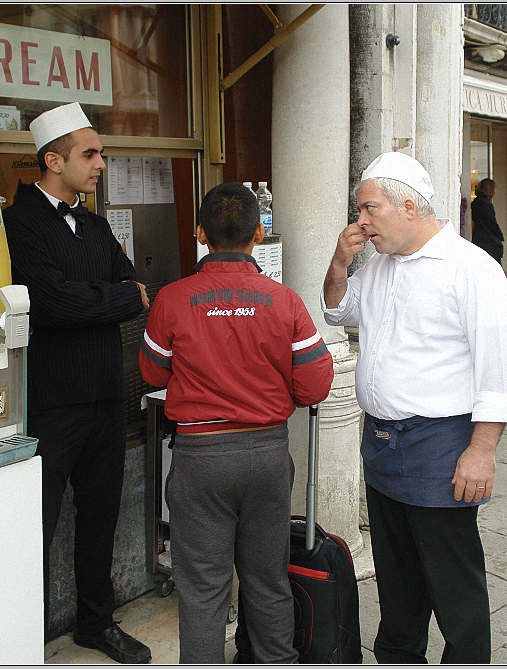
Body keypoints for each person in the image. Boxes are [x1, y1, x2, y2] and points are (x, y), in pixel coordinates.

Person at [321, 152, 507, 664]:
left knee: (453, 584)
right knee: (396, 580)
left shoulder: (472, 268)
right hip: (383, 444)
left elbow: (498, 372)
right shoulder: (381, 264)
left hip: (440, 446)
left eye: (369, 207)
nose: (360, 220)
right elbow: (337, 308)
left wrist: (482, 450)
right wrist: (340, 262)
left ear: (409, 205)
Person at [139, 183, 334, 664]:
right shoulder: (284, 301)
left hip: (200, 461)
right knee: (268, 582)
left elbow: (151, 372)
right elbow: (314, 386)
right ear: (259, 233)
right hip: (266, 457)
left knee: (203, 591)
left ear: (201, 233)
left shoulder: (173, 299)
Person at [2, 102, 152, 663]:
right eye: (90, 154)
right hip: (51, 399)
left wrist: (98, 299)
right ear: (52, 159)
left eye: (101, 154)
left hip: (108, 392)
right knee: (35, 522)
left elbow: (133, 285)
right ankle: (24, 635)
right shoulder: (18, 224)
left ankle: (95, 621)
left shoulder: (92, 222)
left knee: (99, 515)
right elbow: (51, 303)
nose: (100, 165)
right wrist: (107, 299)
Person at [470, 178, 504, 264]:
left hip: (478, 237)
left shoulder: (475, 202)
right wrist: (499, 235)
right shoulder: (486, 204)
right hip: (489, 240)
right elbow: (491, 222)